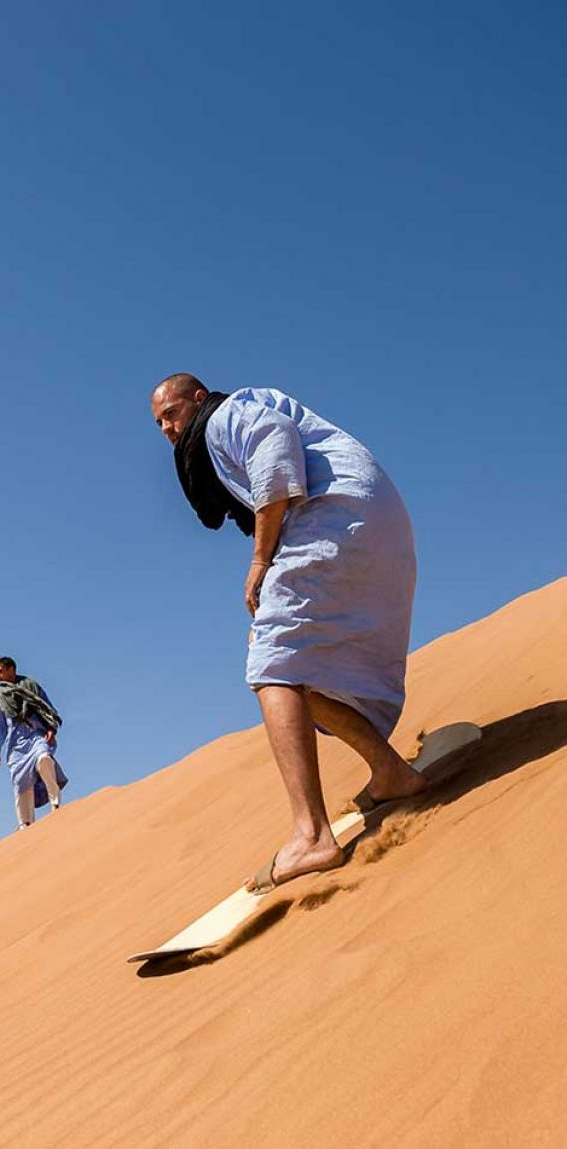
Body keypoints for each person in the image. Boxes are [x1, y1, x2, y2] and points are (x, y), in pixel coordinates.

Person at [151, 373, 424, 891]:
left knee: (272, 666)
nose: (166, 427)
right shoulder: (222, 426)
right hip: (368, 520)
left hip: (333, 516)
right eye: (159, 421)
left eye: (172, 413)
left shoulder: (229, 414)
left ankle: (312, 835)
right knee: (295, 672)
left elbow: (272, 440)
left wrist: (260, 558)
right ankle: (390, 772)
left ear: (200, 398)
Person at [0, 657, 68, 828]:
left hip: (35, 734)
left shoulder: (31, 687)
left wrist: (51, 728)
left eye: (0, 671)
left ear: (11, 669)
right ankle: (25, 823)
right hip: (15, 745)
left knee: (44, 759)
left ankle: (55, 804)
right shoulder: (0, 698)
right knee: (21, 782)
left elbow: (45, 706)